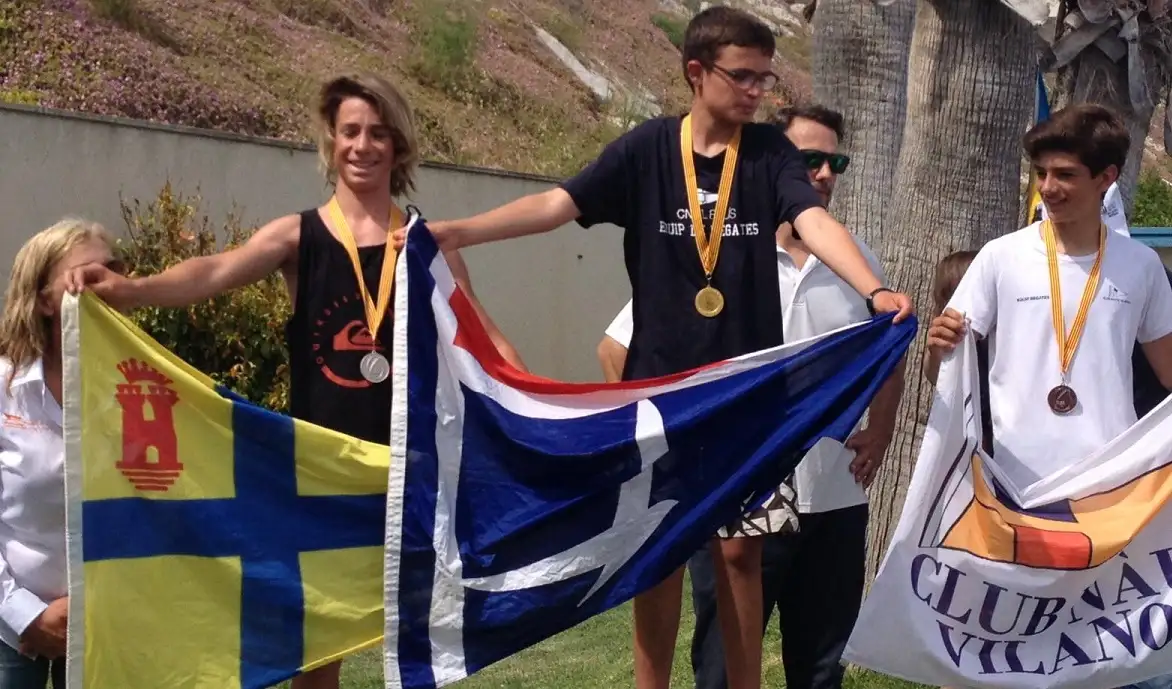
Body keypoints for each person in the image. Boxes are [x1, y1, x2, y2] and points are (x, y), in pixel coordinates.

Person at [394, 8, 914, 688]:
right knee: (655, 555)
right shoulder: (643, 151)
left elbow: (812, 219)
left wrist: (875, 289)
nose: (756, 91)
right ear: (696, 73)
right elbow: (557, 205)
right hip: (660, 399)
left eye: (765, 77)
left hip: (743, 398)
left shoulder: (768, 156)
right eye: (742, 76)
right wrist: (459, 232)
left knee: (740, 555)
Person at [63, 73, 526, 689]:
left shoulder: (424, 245)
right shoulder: (296, 237)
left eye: (379, 133)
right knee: (314, 653)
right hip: (318, 473)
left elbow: (486, 339)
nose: (364, 146)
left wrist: (543, 409)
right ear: (330, 143)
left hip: (410, 474)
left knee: (422, 648)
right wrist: (131, 291)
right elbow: (213, 272)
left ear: (400, 147)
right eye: (351, 132)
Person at [599, 104, 905, 689]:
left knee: (820, 668)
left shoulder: (858, 258)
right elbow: (617, 350)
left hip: (835, 494)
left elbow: (885, 347)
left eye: (833, 162)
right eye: (808, 160)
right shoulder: (715, 251)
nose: (823, 174)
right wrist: (669, 449)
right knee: (721, 666)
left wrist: (884, 425)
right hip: (736, 498)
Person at [928, 103, 1172, 500]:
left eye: (1065, 175)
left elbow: (1168, 372)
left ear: (1106, 178)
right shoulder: (1000, 255)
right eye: (1042, 173)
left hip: (1110, 484)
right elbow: (941, 374)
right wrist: (937, 349)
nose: (1048, 187)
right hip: (1011, 482)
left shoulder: (1142, 265)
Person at [0, 218, 124, 689]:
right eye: (84, 277)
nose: (104, 286)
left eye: (112, 273)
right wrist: (26, 615)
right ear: (44, 298)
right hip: (11, 629)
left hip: (110, 623)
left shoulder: (138, 389)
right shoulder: (4, 388)